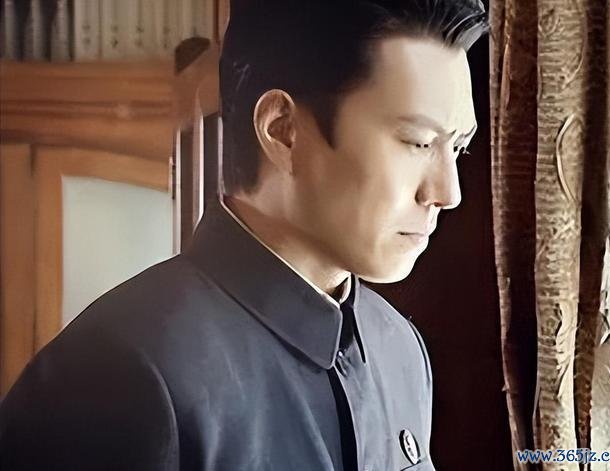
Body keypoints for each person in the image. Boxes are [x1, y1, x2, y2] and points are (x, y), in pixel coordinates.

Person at [0, 1, 488, 470]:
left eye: (458, 148)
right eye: (418, 142)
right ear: (283, 130)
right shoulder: (115, 372)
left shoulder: (399, 349)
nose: (448, 193)